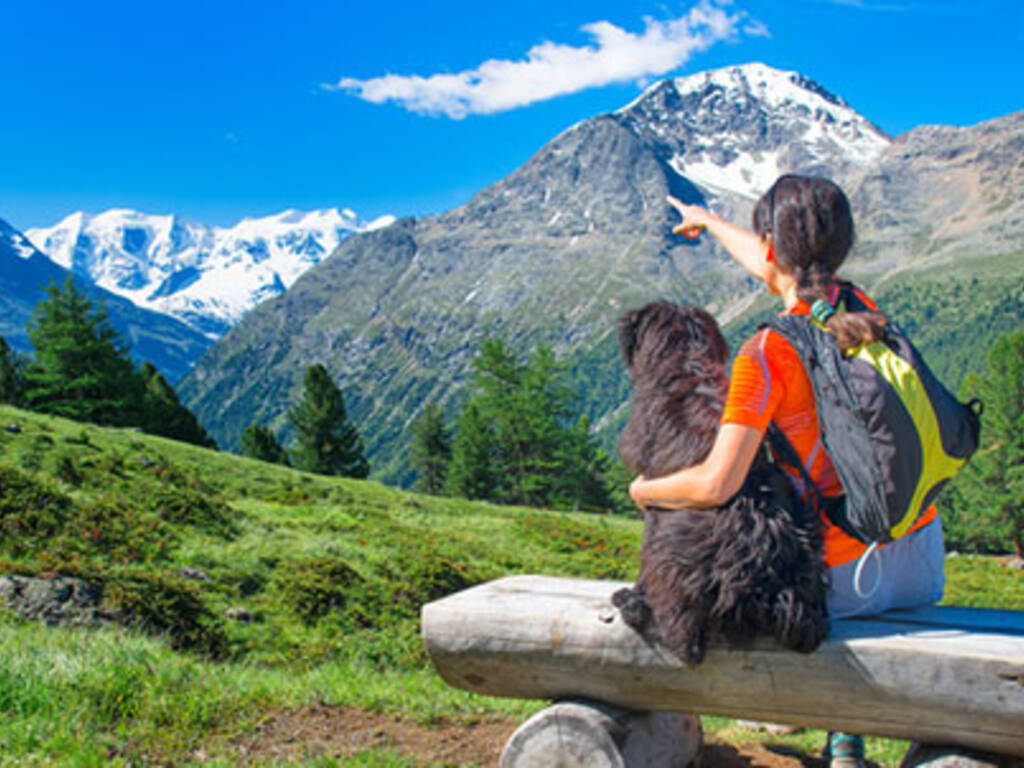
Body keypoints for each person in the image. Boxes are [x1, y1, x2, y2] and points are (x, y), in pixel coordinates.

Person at [628, 175, 945, 768]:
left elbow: (714, 483)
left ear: (772, 246)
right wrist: (710, 222)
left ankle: (827, 719)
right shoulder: (859, 309)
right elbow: (782, 269)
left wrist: (644, 490)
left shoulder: (766, 354)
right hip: (923, 560)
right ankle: (841, 736)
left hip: (851, 584)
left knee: (749, 533)